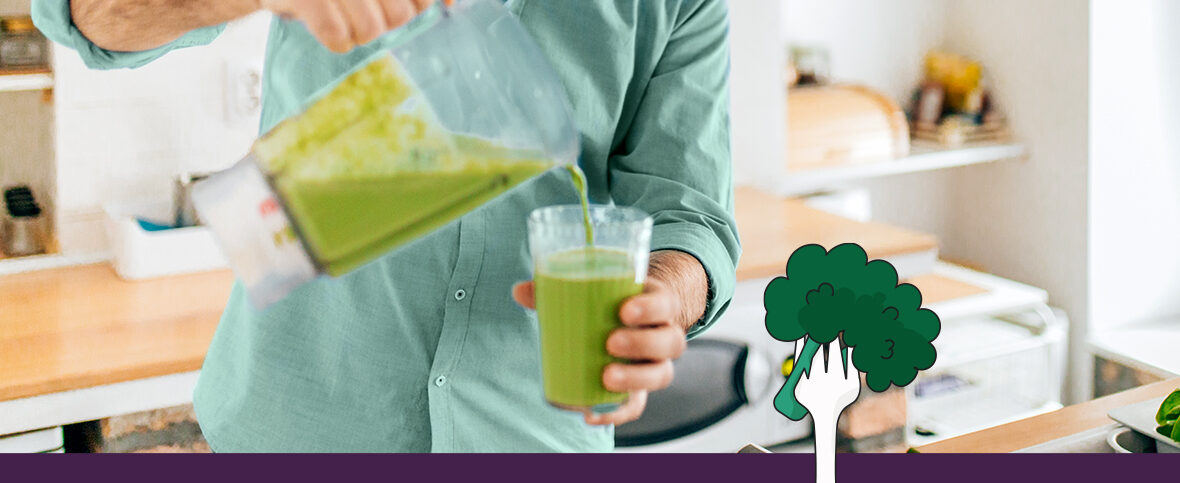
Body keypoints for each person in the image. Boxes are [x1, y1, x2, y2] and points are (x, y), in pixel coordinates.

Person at [34, 0, 740, 452]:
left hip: (529, 436)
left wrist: (663, 296)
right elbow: (91, 14)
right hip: (296, 429)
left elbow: (691, 213)